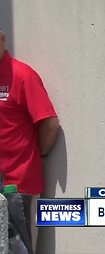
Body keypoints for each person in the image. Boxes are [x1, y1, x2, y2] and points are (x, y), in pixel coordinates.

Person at [0, 29, 61, 254]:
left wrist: (40, 155)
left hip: (17, 186)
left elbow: (50, 124)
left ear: (2, 39)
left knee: (18, 249)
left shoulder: (22, 75)